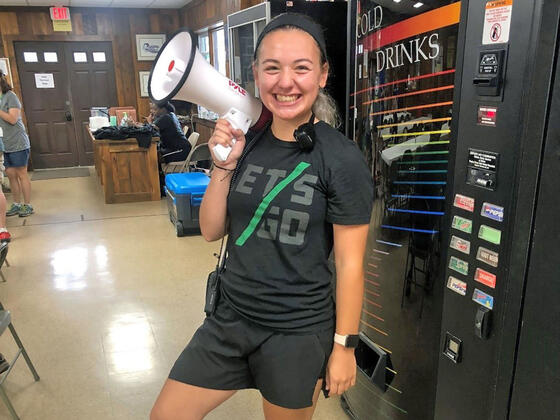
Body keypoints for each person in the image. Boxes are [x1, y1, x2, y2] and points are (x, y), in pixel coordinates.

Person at [151, 13, 373, 420]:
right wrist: (224, 166)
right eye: (272, 68)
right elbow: (210, 231)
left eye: (301, 68)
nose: (284, 82)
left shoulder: (341, 159)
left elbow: (350, 263)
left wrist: (344, 345)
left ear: (323, 75)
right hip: (230, 318)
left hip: (297, 332)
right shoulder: (247, 140)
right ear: (255, 74)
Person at [0, 71, 33, 218]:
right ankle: (17, 204)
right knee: (11, 174)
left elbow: (13, 119)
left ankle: (27, 205)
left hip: (18, 141)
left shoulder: (10, 97)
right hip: (5, 143)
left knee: (21, 173)